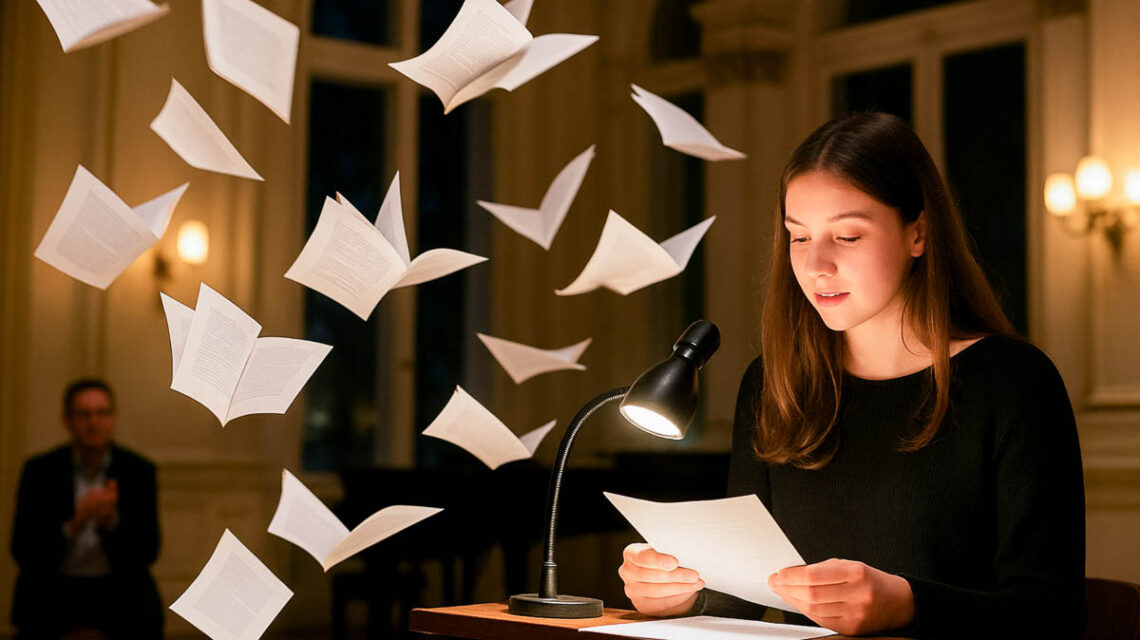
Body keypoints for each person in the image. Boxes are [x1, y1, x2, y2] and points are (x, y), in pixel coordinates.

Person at [617, 112, 1085, 637]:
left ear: (918, 233)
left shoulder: (1015, 383)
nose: (816, 265)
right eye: (799, 237)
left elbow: (1053, 613)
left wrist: (909, 605)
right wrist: (680, 595)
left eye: (847, 235)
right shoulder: (773, 385)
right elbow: (746, 598)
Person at [10, 378, 163, 639]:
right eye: (84, 414)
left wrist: (110, 523)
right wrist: (74, 524)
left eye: (102, 413)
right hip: (56, 587)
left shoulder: (138, 471)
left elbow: (149, 550)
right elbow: (22, 550)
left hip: (116, 588)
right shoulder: (40, 471)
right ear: (67, 421)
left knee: (143, 615)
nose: (94, 422)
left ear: (113, 419)